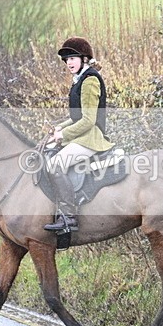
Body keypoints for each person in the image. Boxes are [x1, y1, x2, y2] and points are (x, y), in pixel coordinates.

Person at [43, 37, 114, 233]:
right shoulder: (79, 79)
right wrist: (58, 128)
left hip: (91, 138)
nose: (69, 63)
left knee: (54, 165)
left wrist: (63, 135)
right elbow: (76, 117)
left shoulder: (90, 81)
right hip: (82, 135)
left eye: (72, 58)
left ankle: (69, 216)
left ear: (84, 58)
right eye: (66, 60)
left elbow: (88, 120)